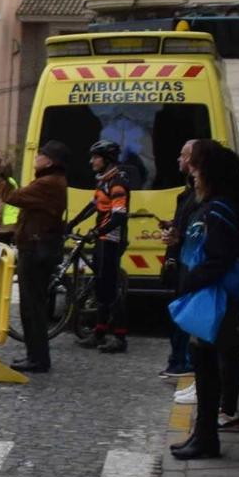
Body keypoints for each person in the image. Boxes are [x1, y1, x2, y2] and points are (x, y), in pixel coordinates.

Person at [173, 139, 239, 459]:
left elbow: (219, 257)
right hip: (208, 295)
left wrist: (191, 281)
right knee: (204, 368)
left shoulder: (218, 210)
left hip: (213, 298)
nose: (191, 171)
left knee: (207, 370)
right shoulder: (216, 205)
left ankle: (206, 438)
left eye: (196, 165)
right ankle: (202, 434)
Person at [0, 142, 72, 373]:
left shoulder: (48, 183)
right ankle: (34, 355)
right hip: (37, 246)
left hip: (37, 249)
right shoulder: (49, 181)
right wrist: (2, 172)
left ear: (49, 161)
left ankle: (38, 359)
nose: (36, 157)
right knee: (32, 306)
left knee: (33, 307)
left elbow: (12, 196)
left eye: (41, 155)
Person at [76, 140, 132, 353]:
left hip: (112, 241)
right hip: (103, 239)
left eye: (95, 157)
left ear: (107, 159)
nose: (91, 161)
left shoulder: (117, 183)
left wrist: (97, 232)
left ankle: (120, 337)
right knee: (101, 288)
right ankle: (99, 333)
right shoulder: (104, 181)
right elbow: (92, 207)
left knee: (111, 289)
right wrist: (71, 223)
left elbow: (118, 217)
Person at [160, 139, 199, 384]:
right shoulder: (188, 193)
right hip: (182, 261)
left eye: (183, 155)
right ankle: (178, 362)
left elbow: (197, 232)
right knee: (179, 315)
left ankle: (184, 363)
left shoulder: (200, 196)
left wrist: (178, 235)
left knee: (186, 317)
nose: (179, 159)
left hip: (191, 265)